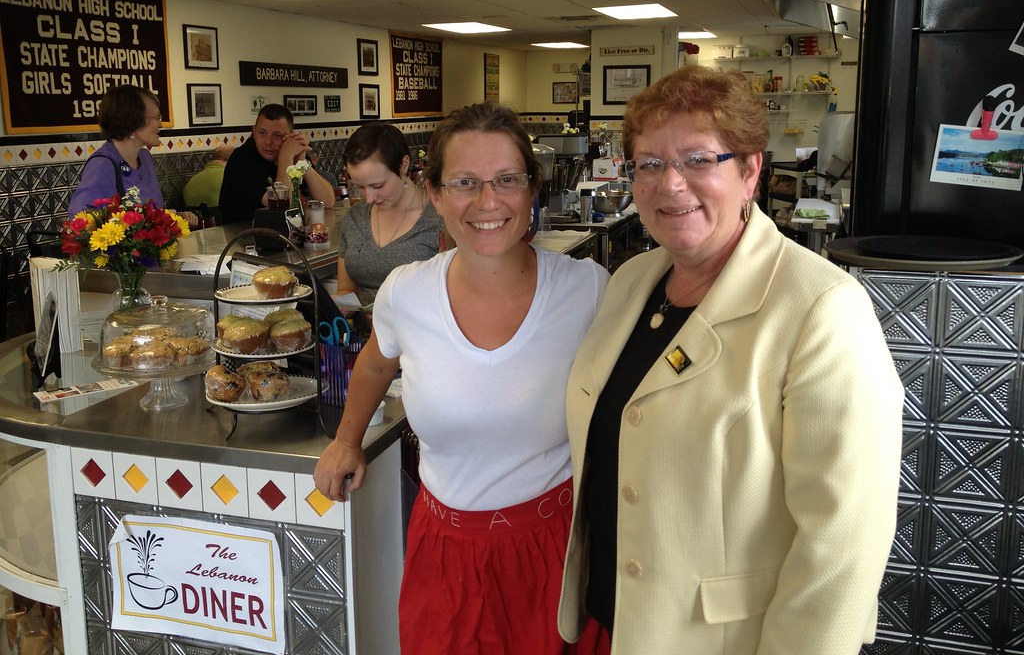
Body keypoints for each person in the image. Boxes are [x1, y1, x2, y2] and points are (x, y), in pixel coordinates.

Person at [557, 66, 903, 655]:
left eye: (698, 159)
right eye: (650, 163)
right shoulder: (633, 280)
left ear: (749, 171)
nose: (670, 184)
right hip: (615, 620)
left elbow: (843, 539)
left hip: (720, 639)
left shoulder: (820, 308)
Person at [314, 102, 610, 655]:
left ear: (532, 188)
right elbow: (378, 362)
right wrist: (346, 441)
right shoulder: (406, 290)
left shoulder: (587, 289)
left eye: (506, 180)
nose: (488, 201)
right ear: (435, 193)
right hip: (444, 549)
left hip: (556, 546)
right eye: (465, 182)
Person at [334, 122, 442, 307]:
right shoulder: (355, 218)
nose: (369, 198)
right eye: (359, 187)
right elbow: (346, 290)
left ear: (403, 165)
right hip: (361, 334)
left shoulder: (440, 219)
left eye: (378, 186)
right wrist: (340, 305)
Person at [218, 103, 334, 224]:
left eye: (277, 135)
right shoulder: (242, 160)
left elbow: (327, 201)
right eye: (262, 133)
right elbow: (282, 207)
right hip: (241, 235)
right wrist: (286, 155)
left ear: (290, 136)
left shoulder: (291, 151)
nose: (268, 141)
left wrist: (301, 161)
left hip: (280, 233)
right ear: (253, 131)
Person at [69, 85, 166, 216]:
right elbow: (80, 221)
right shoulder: (102, 164)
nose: (160, 124)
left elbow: (153, 214)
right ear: (132, 121)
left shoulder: (145, 157)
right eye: (156, 118)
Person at [182, 144, 233, 210]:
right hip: (221, 219)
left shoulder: (193, 180)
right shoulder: (231, 177)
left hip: (194, 219)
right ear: (232, 159)